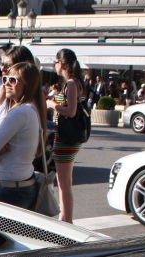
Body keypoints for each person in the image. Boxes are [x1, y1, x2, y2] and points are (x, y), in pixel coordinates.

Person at [0, 62, 45, 209]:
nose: (7, 84)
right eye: (6, 80)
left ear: (27, 85)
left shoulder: (19, 112)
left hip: (11, 190)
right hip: (19, 185)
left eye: (13, 80)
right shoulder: (31, 109)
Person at [46, 48, 86, 223]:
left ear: (61, 63)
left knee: (63, 183)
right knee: (65, 181)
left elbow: (70, 111)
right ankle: (65, 217)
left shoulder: (70, 83)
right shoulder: (75, 82)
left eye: (55, 62)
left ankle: (67, 219)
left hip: (65, 138)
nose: (54, 66)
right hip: (67, 138)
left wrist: (52, 105)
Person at [0, 45, 34, 122]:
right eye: (2, 64)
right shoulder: (4, 88)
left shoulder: (34, 95)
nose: (2, 69)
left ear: (21, 67)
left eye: (8, 65)